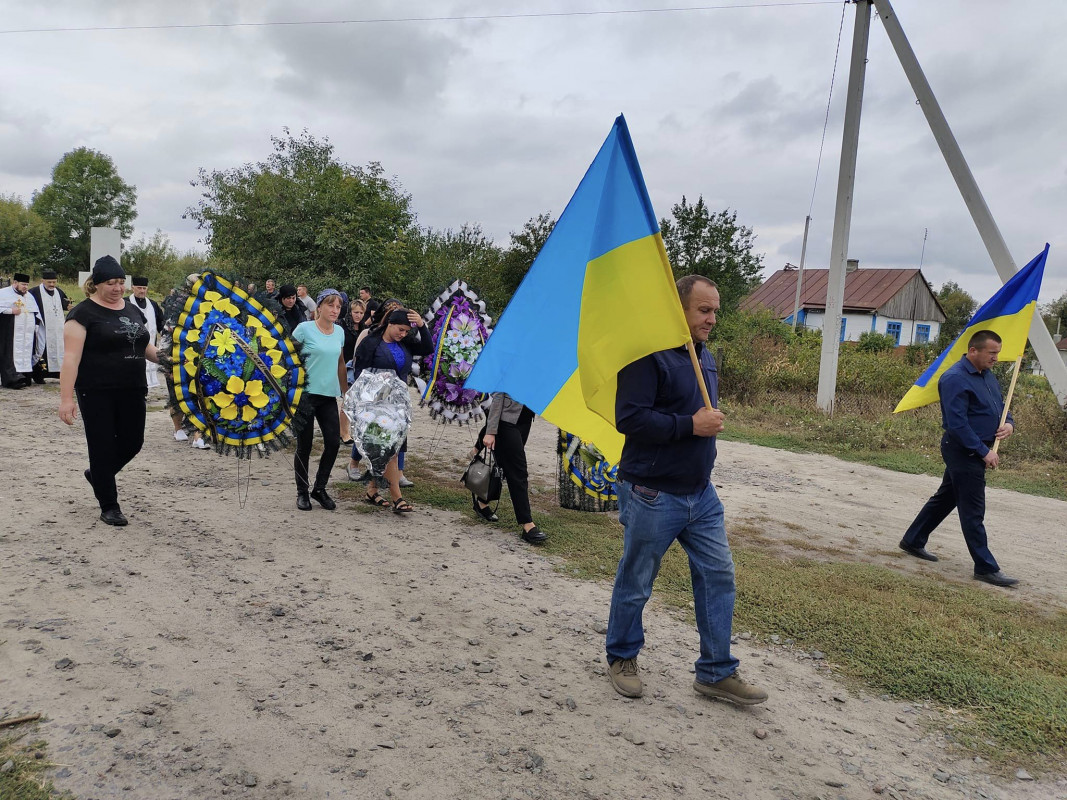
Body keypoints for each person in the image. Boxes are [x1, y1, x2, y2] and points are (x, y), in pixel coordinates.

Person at [605, 275, 767, 706]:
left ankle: (715, 672)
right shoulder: (647, 356)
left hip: (701, 494)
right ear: (678, 309)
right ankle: (621, 656)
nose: (712, 318)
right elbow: (631, 419)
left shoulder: (704, 356)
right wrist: (690, 425)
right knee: (637, 579)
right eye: (703, 310)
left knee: (718, 576)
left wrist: (703, 422)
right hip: (652, 493)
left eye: (715, 310)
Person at [899, 330, 1019, 587]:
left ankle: (913, 540)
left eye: (997, 353)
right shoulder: (954, 378)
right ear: (973, 350)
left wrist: (1009, 424)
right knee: (973, 510)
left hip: (978, 448)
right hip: (963, 450)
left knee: (946, 498)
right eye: (992, 353)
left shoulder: (988, 376)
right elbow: (957, 424)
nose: (996, 358)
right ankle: (986, 567)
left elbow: (1001, 407)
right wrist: (983, 451)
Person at [58, 256, 160, 526]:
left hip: (133, 388)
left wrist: (168, 359)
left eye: (120, 282)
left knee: (132, 442)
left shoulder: (132, 310)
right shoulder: (82, 314)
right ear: (95, 284)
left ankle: (99, 475)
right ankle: (109, 506)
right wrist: (66, 399)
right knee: (102, 446)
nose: (117, 288)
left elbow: (144, 346)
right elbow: (70, 359)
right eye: (110, 283)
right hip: (97, 391)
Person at [351, 306, 432, 512]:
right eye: (400, 329)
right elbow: (360, 373)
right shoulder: (371, 342)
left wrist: (422, 326)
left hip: (398, 406)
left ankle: (372, 490)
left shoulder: (405, 343)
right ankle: (397, 497)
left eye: (406, 331)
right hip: (376, 405)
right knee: (391, 450)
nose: (402, 334)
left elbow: (428, 348)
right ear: (390, 323)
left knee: (386, 449)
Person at [291, 289, 347, 512]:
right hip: (305, 395)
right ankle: (302, 492)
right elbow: (287, 358)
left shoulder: (340, 332)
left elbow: (341, 362)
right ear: (320, 307)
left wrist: (346, 391)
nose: (335, 311)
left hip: (328, 395)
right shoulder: (304, 329)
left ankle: (320, 488)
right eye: (331, 306)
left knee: (333, 442)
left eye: (338, 307)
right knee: (304, 445)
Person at [472, 393, 547, 545]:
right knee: (518, 472)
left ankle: (481, 502)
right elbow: (498, 397)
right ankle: (527, 525)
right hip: (506, 423)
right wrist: (490, 431)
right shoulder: (512, 368)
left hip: (525, 420)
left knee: (504, 467)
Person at [0, 272, 44, 389]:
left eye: (27, 285)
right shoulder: (3, 293)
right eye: (23, 284)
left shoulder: (29, 296)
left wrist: (36, 325)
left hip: (26, 333)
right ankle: (11, 380)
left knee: (25, 352)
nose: (25, 287)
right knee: (10, 353)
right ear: (15, 283)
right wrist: (10, 311)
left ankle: (24, 376)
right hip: (10, 332)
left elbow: (35, 312)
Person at [29, 269, 69, 382]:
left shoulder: (59, 292)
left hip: (57, 329)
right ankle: (39, 376)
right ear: (43, 281)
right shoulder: (34, 292)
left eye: (54, 282)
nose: (52, 285)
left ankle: (57, 374)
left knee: (59, 349)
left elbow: (65, 303)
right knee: (41, 350)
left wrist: (68, 307)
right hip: (42, 328)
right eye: (49, 282)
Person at [128, 276, 164, 390]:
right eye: (139, 288)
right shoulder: (125, 302)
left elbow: (160, 323)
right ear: (133, 288)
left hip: (150, 344)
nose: (142, 291)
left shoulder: (153, 304)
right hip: (131, 346)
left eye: (144, 288)